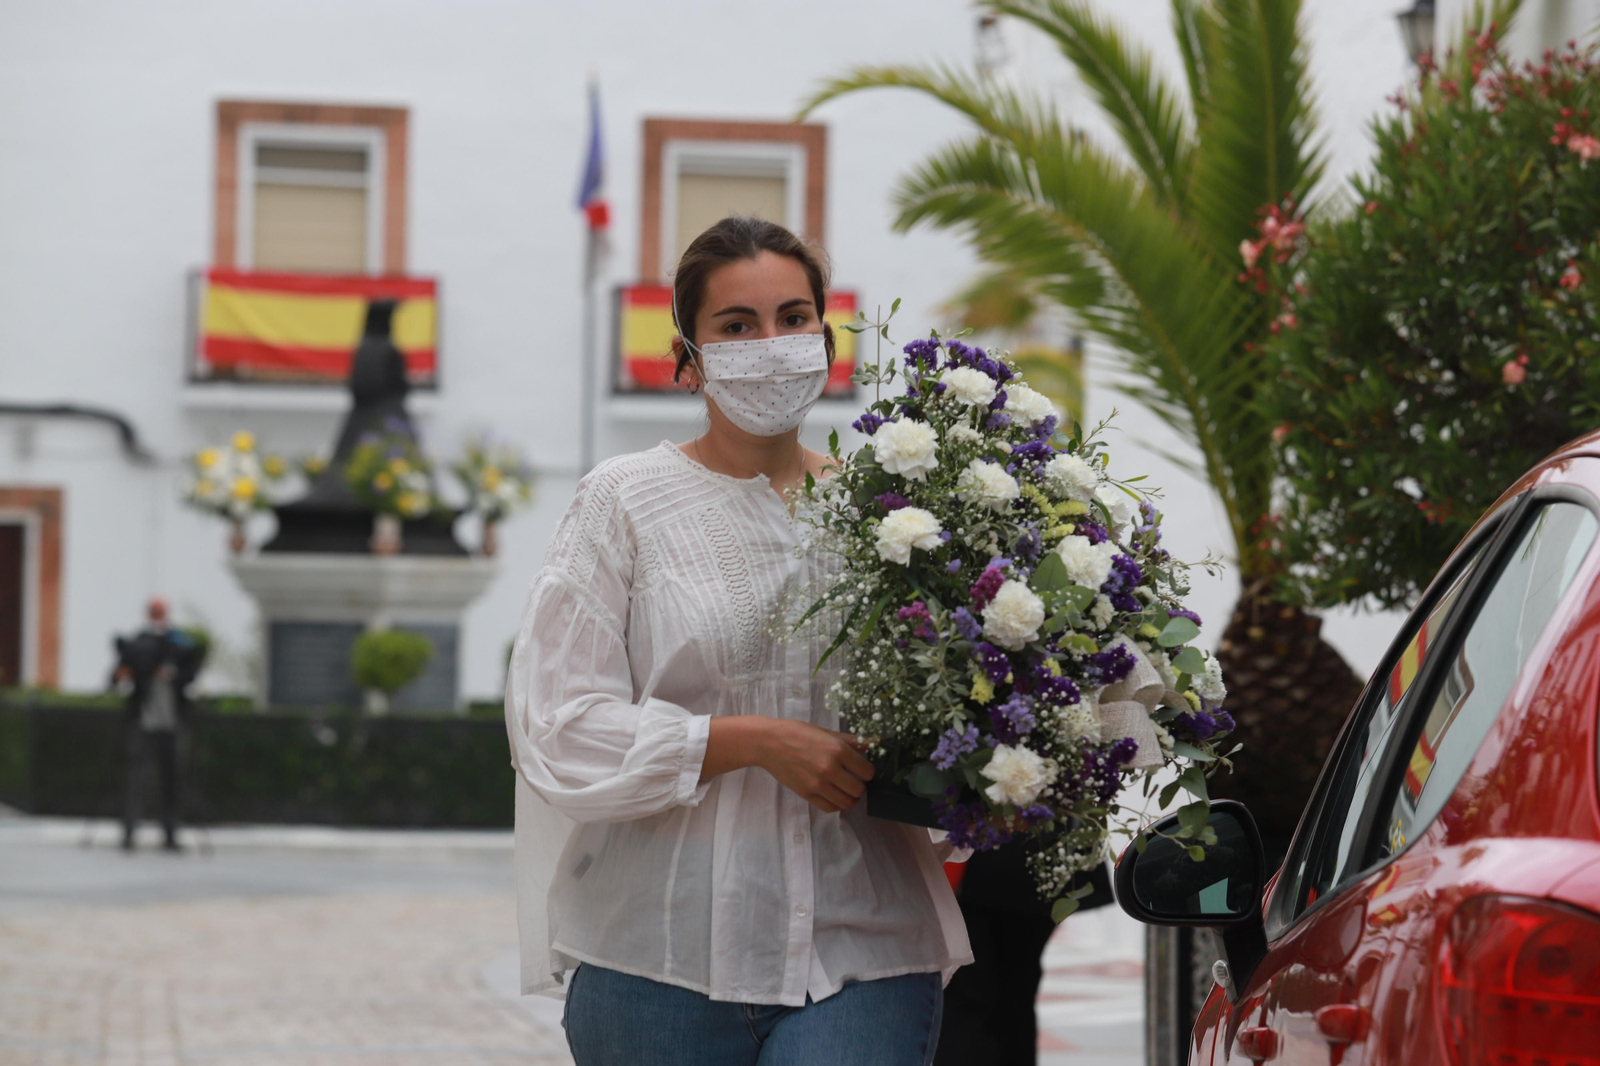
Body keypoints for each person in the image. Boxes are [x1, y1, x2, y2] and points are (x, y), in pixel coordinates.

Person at [505, 216, 971, 1066]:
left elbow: (964, 698)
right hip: (657, 957)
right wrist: (746, 741)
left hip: (864, 944)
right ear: (688, 358)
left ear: (825, 338)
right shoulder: (623, 502)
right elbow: (556, 726)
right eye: (736, 325)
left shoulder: (896, 514)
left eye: (793, 318)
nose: (771, 345)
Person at [113, 598, 201, 851]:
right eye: (154, 612)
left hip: (172, 722)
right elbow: (118, 674)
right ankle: (130, 832)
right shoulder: (138, 643)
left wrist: (173, 673)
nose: (157, 617)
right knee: (136, 779)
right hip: (143, 721)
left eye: (160, 612)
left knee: (172, 779)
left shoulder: (178, 644)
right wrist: (131, 671)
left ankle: (171, 833)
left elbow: (191, 673)